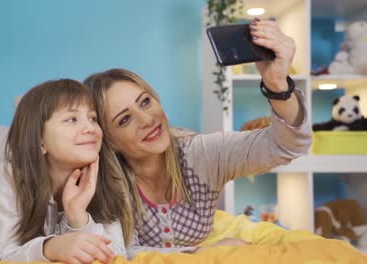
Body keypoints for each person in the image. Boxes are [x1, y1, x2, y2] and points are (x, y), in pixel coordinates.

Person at [83, 18, 312, 259]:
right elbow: (123, 252)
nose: (147, 119)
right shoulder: (106, 183)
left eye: (145, 102)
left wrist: (276, 84)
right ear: (109, 141)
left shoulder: (200, 154)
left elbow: (287, 145)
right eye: (124, 119)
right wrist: (202, 252)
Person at [0, 79, 127, 264]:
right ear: (40, 141)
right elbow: (6, 253)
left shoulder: (106, 175)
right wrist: (51, 247)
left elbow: (116, 254)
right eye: (71, 119)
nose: (90, 128)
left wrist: (78, 216)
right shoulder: (13, 174)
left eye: (93, 118)